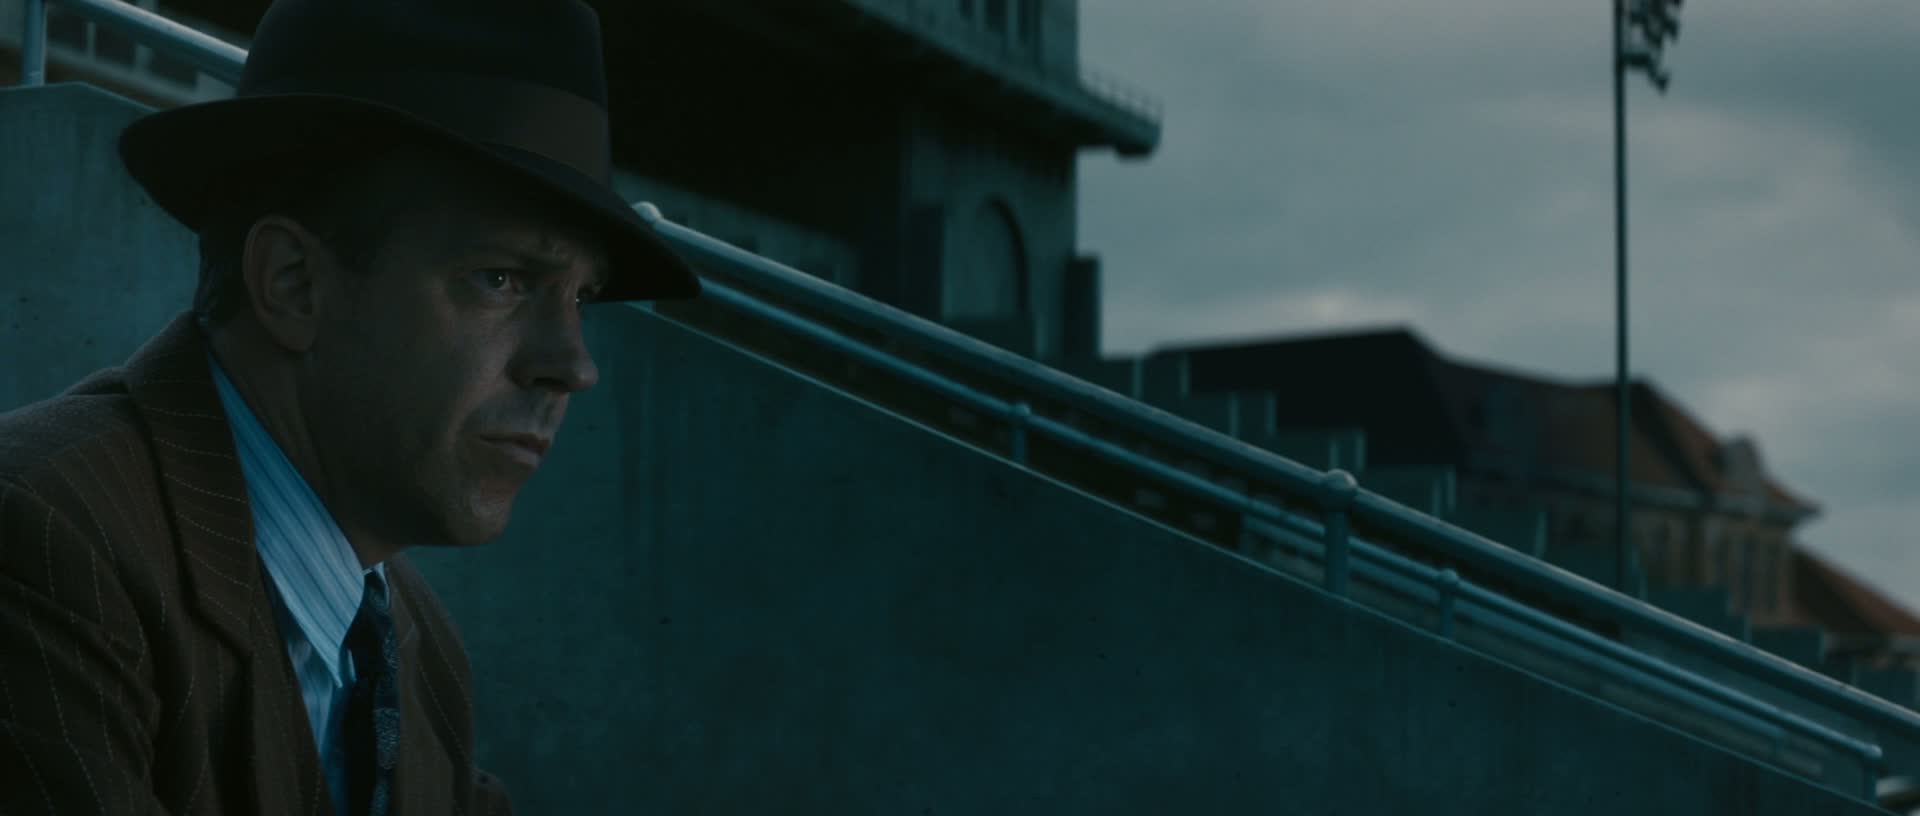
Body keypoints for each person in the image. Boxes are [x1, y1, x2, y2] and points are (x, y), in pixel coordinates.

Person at [0, 0, 700, 813]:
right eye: (502, 279)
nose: (573, 366)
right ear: (294, 284)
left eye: (580, 298)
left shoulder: (417, 646)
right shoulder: (45, 543)